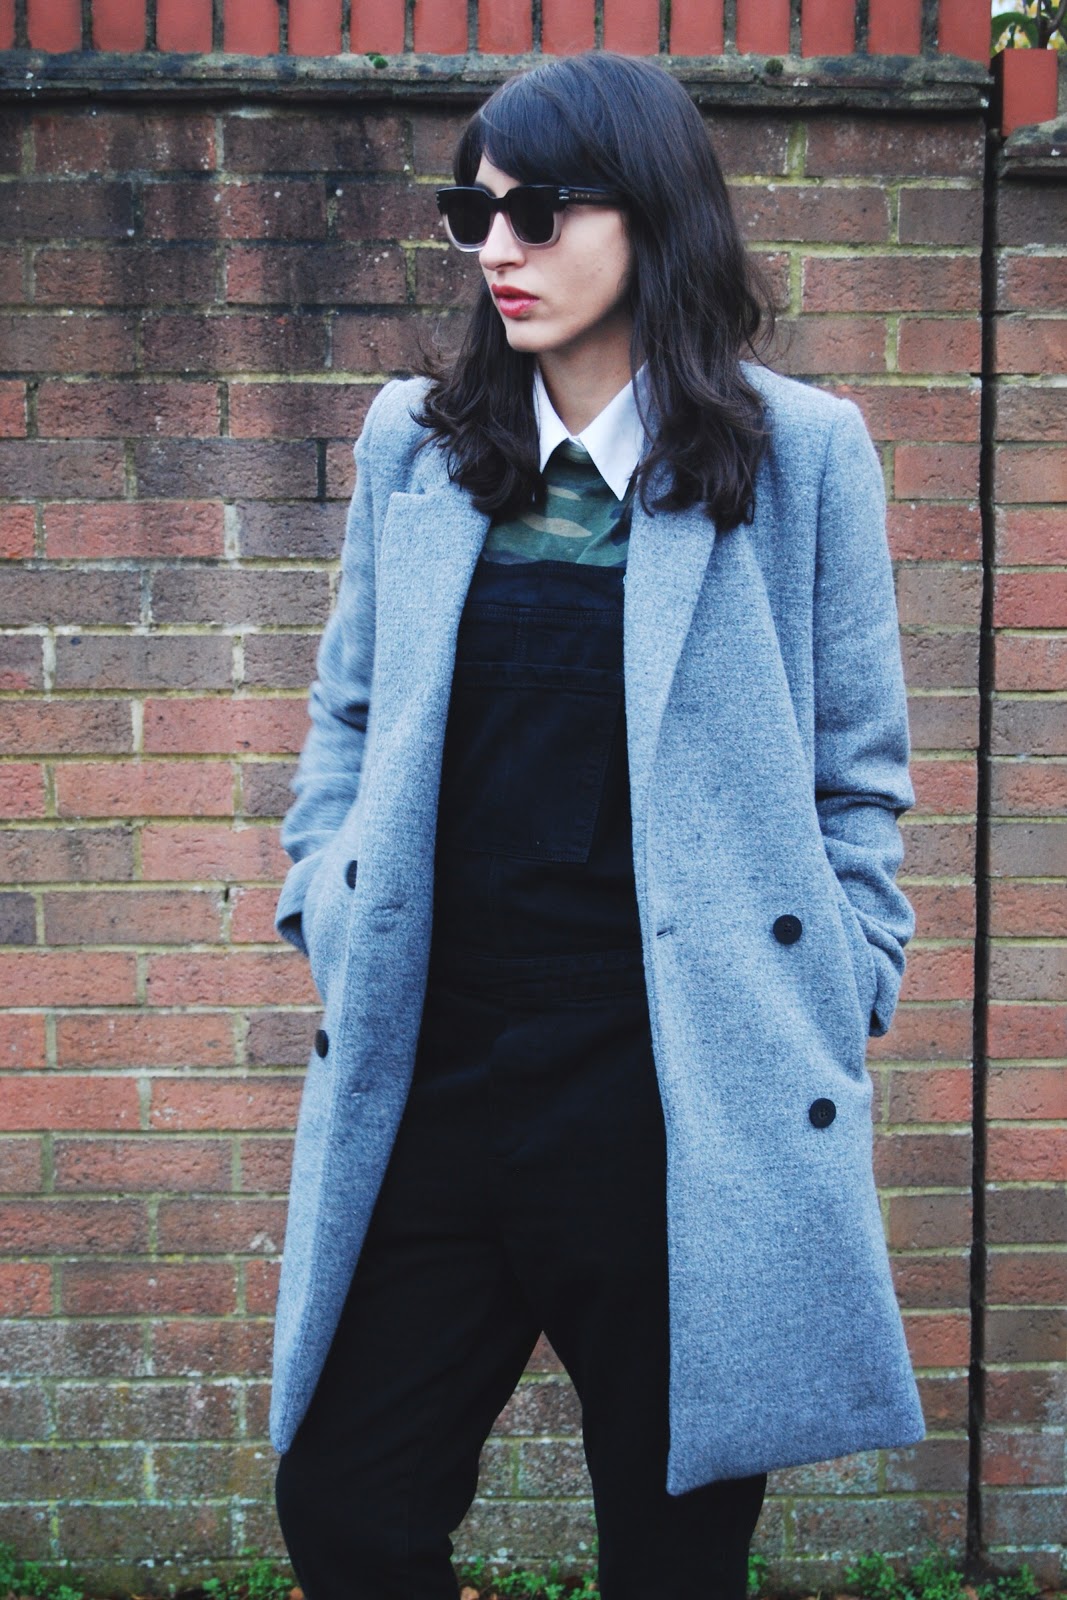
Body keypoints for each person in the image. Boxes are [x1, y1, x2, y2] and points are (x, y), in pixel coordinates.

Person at [270, 50, 923, 1600]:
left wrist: (841, 981)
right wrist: (325, 902)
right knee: (346, 1504)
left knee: (675, 1555)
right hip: (437, 1069)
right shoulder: (415, 445)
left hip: (677, 1082)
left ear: (655, 217)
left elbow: (859, 774)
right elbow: (348, 718)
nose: (497, 249)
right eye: (472, 214)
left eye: (541, 211)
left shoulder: (800, 454)